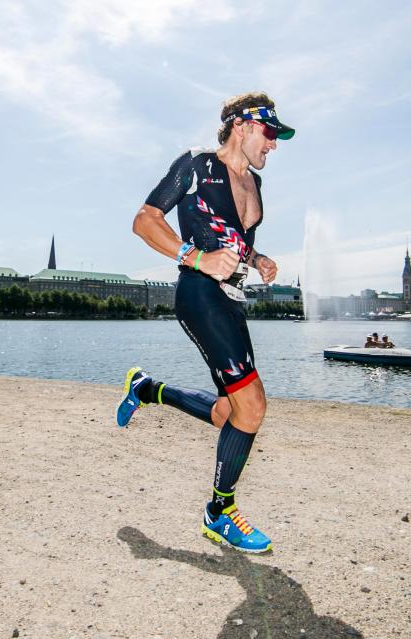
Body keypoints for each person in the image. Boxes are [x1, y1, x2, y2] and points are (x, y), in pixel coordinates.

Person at [115, 92, 294, 554]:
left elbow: (233, 238)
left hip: (233, 298)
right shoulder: (195, 167)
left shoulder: (255, 183)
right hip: (198, 292)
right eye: (270, 133)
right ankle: (219, 512)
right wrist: (195, 256)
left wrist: (257, 259)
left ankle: (146, 389)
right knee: (252, 407)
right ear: (242, 125)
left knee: (228, 413)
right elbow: (145, 220)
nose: (273, 145)